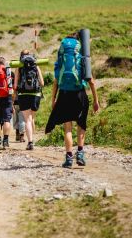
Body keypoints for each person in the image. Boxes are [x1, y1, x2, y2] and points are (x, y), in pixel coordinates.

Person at [46, 32, 100, 168]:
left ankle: (69, 158)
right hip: (80, 94)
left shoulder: (62, 58)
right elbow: (91, 82)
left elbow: (56, 81)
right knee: (81, 125)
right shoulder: (82, 57)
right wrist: (95, 100)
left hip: (64, 94)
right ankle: (80, 154)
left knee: (67, 128)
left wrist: (53, 99)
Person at [13, 50, 44, 150]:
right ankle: (32, 139)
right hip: (36, 94)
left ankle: (30, 142)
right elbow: (42, 83)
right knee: (32, 119)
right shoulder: (36, 65)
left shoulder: (19, 67)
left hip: (23, 95)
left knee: (27, 120)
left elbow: (15, 86)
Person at [0, 57, 13, 150]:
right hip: (7, 97)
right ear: (4, 63)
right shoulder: (8, 71)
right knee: (6, 120)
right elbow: (12, 87)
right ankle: (5, 140)